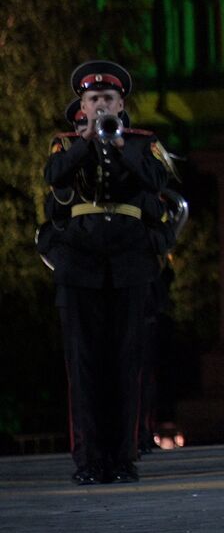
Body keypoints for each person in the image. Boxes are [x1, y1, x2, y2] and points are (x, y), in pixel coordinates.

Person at [45, 61, 172, 484]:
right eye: (93, 99)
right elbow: (53, 177)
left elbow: (156, 180)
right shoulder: (65, 143)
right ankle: (88, 460)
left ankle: (122, 459)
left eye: (108, 98)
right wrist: (85, 140)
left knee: (126, 363)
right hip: (80, 263)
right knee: (83, 365)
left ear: (121, 104)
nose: (101, 104)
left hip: (128, 262)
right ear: (82, 106)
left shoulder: (142, 142)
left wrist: (119, 145)